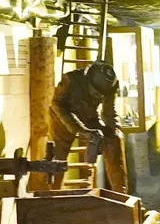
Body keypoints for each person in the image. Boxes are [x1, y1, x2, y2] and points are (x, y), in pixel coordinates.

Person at [48, 61, 124, 190]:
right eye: (96, 93)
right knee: (57, 159)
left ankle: (121, 194)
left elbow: (109, 112)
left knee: (114, 140)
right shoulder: (70, 80)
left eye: (101, 95)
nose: (98, 96)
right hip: (63, 119)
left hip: (89, 117)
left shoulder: (111, 85)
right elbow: (56, 105)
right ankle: (51, 195)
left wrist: (114, 130)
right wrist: (79, 129)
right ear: (87, 81)